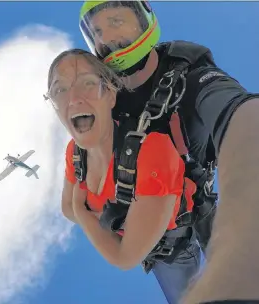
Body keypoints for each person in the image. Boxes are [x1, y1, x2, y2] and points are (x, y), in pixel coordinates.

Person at [77, 1, 259, 303]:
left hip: (202, 206)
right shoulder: (102, 106)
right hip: (162, 240)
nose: (106, 37)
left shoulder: (190, 77)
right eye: (96, 31)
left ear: (143, 20)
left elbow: (234, 108)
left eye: (116, 22)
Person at [45, 48, 203, 304]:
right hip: (147, 247)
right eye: (59, 90)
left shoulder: (153, 151)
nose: (73, 99)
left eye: (87, 83)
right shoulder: (75, 153)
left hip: (173, 254)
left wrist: (84, 211)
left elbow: (124, 257)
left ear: (110, 94)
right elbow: (65, 210)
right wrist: (115, 225)